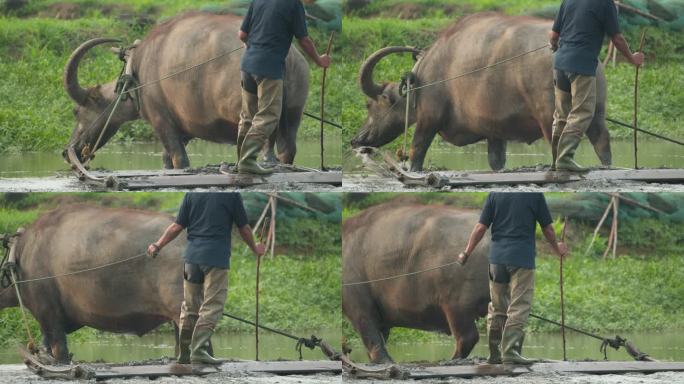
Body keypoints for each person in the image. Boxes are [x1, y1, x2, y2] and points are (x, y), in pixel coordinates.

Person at [147, 193, 265, 365]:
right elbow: (244, 228)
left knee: (189, 307)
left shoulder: (192, 194)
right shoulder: (231, 195)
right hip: (215, 260)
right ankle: (199, 351)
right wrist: (255, 248)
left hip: (191, 260)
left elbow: (176, 226)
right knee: (212, 305)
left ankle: (185, 352)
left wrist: (157, 245)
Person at [457, 193, 567, 365]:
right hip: (521, 259)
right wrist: (557, 247)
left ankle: (495, 353)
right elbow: (548, 229)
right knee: (519, 306)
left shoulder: (495, 194)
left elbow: (480, 227)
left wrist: (466, 253)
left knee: (497, 307)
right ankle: (510, 351)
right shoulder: (534, 195)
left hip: (497, 261)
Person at [236, 0, 332, 174]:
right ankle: (247, 161)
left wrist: (256, 48)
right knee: (269, 115)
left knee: (248, 116)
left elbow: (242, 34)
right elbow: (304, 40)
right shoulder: (294, 4)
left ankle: (240, 161)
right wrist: (319, 60)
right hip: (269, 67)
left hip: (247, 66)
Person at [549, 0, 644, 172]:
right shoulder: (605, 4)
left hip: (560, 64)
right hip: (581, 65)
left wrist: (555, 47)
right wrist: (632, 58)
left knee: (561, 115)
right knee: (582, 112)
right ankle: (565, 159)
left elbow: (554, 36)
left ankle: (556, 161)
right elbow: (617, 38)